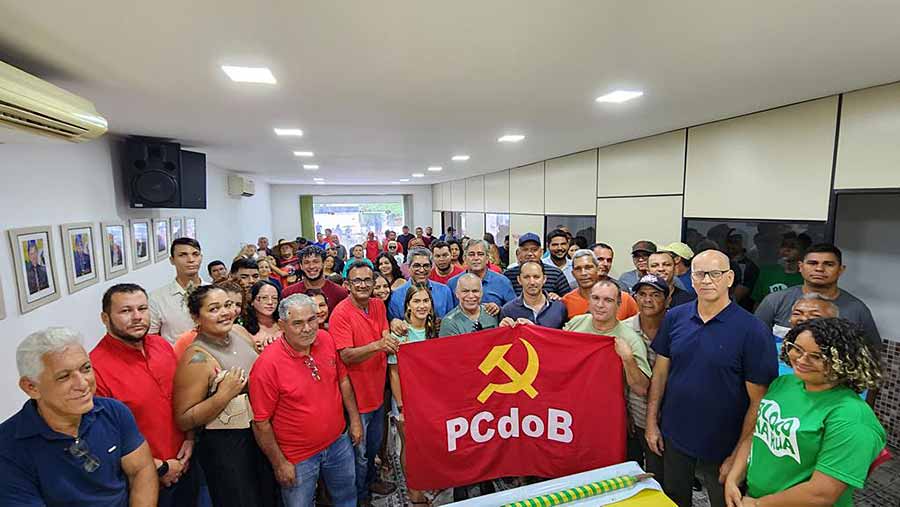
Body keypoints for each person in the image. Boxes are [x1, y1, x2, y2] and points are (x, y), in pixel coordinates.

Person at [646, 250, 778, 507]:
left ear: (729, 278)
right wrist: (652, 422)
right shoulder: (675, 317)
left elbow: (759, 401)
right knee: (673, 497)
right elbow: (660, 374)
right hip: (675, 434)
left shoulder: (753, 330)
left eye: (715, 274)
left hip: (725, 442)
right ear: (691, 279)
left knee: (725, 501)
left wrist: (738, 456)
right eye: (699, 274)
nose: (706, 280)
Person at [724, 318, 885, 507]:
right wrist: (733, 478)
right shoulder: (784, 384)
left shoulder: (852, 418)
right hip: (754, 497)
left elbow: (822, 494)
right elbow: (758, 433)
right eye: (797, 349)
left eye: (817, 357)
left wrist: (758, 504)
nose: (801, 360)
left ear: (843, 362)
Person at [2, 327, 157, 506]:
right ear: (31, 387)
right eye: (64, 377)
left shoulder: (114, 411)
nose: (83, 384)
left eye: (86, 368)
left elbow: (141, 470)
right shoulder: (7, 448)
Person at [250, 294, 363, 507]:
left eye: (312, 320)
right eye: (297, 323)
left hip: (338, 442)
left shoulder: (326, 339)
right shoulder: (267, 366)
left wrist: (355, 421)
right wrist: (279, 463)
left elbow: (343, 381)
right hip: (297, 457)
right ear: (282, 325)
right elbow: (261, 423)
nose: (307, 328)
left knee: (347, 497)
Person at [91, 284, 199, 506]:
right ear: (105, 318)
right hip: (146, 481)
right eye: (126, 311)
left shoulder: (161, 345)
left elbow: (181, 397)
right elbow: (107, 439)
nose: (137, 317)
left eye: (142, 308)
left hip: (187, 460)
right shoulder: (95, 369)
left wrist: (190, 438)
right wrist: (160, 467)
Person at [173, 285, 279, 507]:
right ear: (196, 317)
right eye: (214, 309)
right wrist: (223, 395)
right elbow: (183, 418)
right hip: (228, 446)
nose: (225, 313)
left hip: (260, 432)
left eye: (228, 305)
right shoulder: (197, 358)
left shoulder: (238, 332)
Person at [330, 261, 400, 502]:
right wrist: (378, 346)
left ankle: (371, 481)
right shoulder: (340, 313)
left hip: (377, 393)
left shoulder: (378, 305)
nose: (362, 285)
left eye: (367, 280)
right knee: (357, 455)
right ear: (347, 284)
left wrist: (389, 338)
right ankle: (361, 497)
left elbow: (384, 332)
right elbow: (346, 355)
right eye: (357, 280)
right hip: (356, 399)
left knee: (372, 448)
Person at [755, 244, 881, 352]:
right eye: (812, 263)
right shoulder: (775, 301)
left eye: (829, 264)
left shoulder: (857, 310)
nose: (819, 269)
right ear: (801, 267)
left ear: (841, 270)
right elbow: (753, 342)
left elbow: (872, 354)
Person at [387, 285, 437, 505]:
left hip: (431, 398)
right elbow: (394, 373)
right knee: (410, 444)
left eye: (425, 301)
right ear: (408, 305)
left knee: (430, 442)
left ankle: (429, 479)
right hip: (406, 398)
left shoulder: (436, 330)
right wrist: (401, 405)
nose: (422, 306)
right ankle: (414, 491)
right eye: (416, 301)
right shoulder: (399, 334)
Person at [563, 280, 652, 401]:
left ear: (618, 304)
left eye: (608, 300)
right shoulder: (576, 322)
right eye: (595, 298)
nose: (600, 305)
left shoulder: (631, 339)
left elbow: (641, 389)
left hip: (606, 403)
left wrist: (628, 359)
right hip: (572, 398)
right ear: (589, 300)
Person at [621, 275, 671, 483]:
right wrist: (623, 412)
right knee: (630, 474)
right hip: (634, 413)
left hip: (669, 416)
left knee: (661, 476)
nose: (648, 300)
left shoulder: (677, 327)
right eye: (642, 294)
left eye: (655, 295)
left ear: (667, 299)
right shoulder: (624, 329)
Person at [149, 237, 204, 344]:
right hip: (175, 353)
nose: (191, 260)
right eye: (182, 255)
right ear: (172, 260)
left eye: (195, 254)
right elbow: (152, 338)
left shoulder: (215, 292)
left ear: (201, 257)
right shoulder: (157, 298)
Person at [563, 249, 639, 321]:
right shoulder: (566, 302)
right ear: (573, 274)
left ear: (597, 269)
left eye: (588, 268)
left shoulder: (624, 299)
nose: (584, 273)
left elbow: (638, 326)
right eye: (578, 269)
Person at [449, 239, 516, 315]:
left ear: (487, 258)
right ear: (464, 258)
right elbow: (449, 313)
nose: (476, 258)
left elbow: (513, 311)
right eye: (471, 254)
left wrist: (499, 309)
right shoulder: (453, 283)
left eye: (480, 254)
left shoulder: (503, 282)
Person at [388, 248, 454, 322]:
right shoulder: (396, 295)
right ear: (409, 267)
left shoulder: (444, 291)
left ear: (431, 267)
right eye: (417, 266)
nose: (422, 270)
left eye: (426, 266)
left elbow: (451, 320)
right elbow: (394, 323)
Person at [499, 261, 568, 329]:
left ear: (544, 279)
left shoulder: (559, 307)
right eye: (526, 277)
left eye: (536, 277)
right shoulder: (508, 310)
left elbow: (564, 335)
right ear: (519, 280)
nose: (532, 282)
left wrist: (533, 328)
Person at [283, 245, 349, 315]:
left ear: (323, 263)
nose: (311, 266)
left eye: (316, 262)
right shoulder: (288, 293)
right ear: (301, 266)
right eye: (306, 262)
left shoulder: (340, 293)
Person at [503, 233, 572, 298]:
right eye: (525, 250)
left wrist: (558, 298)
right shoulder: (509, 275)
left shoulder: (556, 274)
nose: (530, 253)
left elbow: (568, 299)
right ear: (519, 252)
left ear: (541, 252)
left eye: (534, 250)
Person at [750, 233, 805, 307]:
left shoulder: (806, 276)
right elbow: (758, 303)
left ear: (802, 251)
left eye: (793, 247)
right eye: (783, 246)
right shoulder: (766, 272)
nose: (787, 250)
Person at [244, 280, 283, 350]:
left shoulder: (285, 324)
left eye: (274, 298)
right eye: (264, 298)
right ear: (252, 301)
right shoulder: (243, 328)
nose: (270, 302)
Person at [724, 233, 759, 311]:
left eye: (736, 242)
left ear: (743, 244)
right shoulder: (722, 262)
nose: (731, 245)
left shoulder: (749, 267)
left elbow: (737, 297)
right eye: (729, 241)